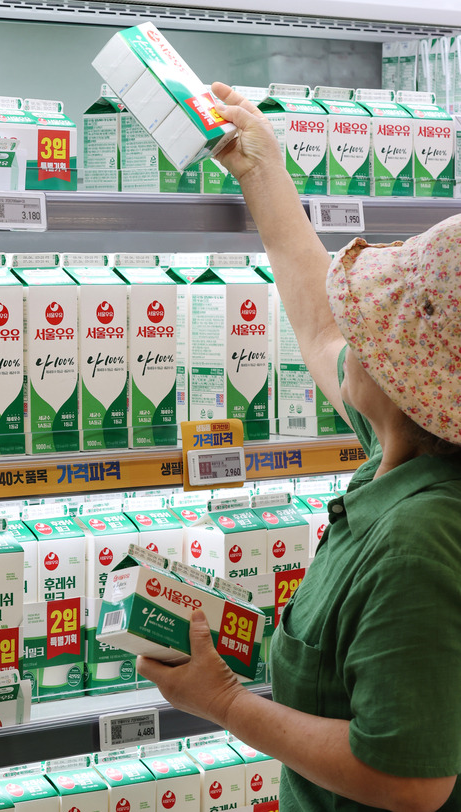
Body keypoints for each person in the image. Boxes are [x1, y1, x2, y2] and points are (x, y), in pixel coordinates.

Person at [136, 82, 461, 812]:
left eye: (372, 329)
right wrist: (257, 165)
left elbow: (408, 782)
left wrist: (222, 701)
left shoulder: (419, 541)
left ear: (402, 378)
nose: (352, 334)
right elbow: (317, 323)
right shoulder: (411, 444)